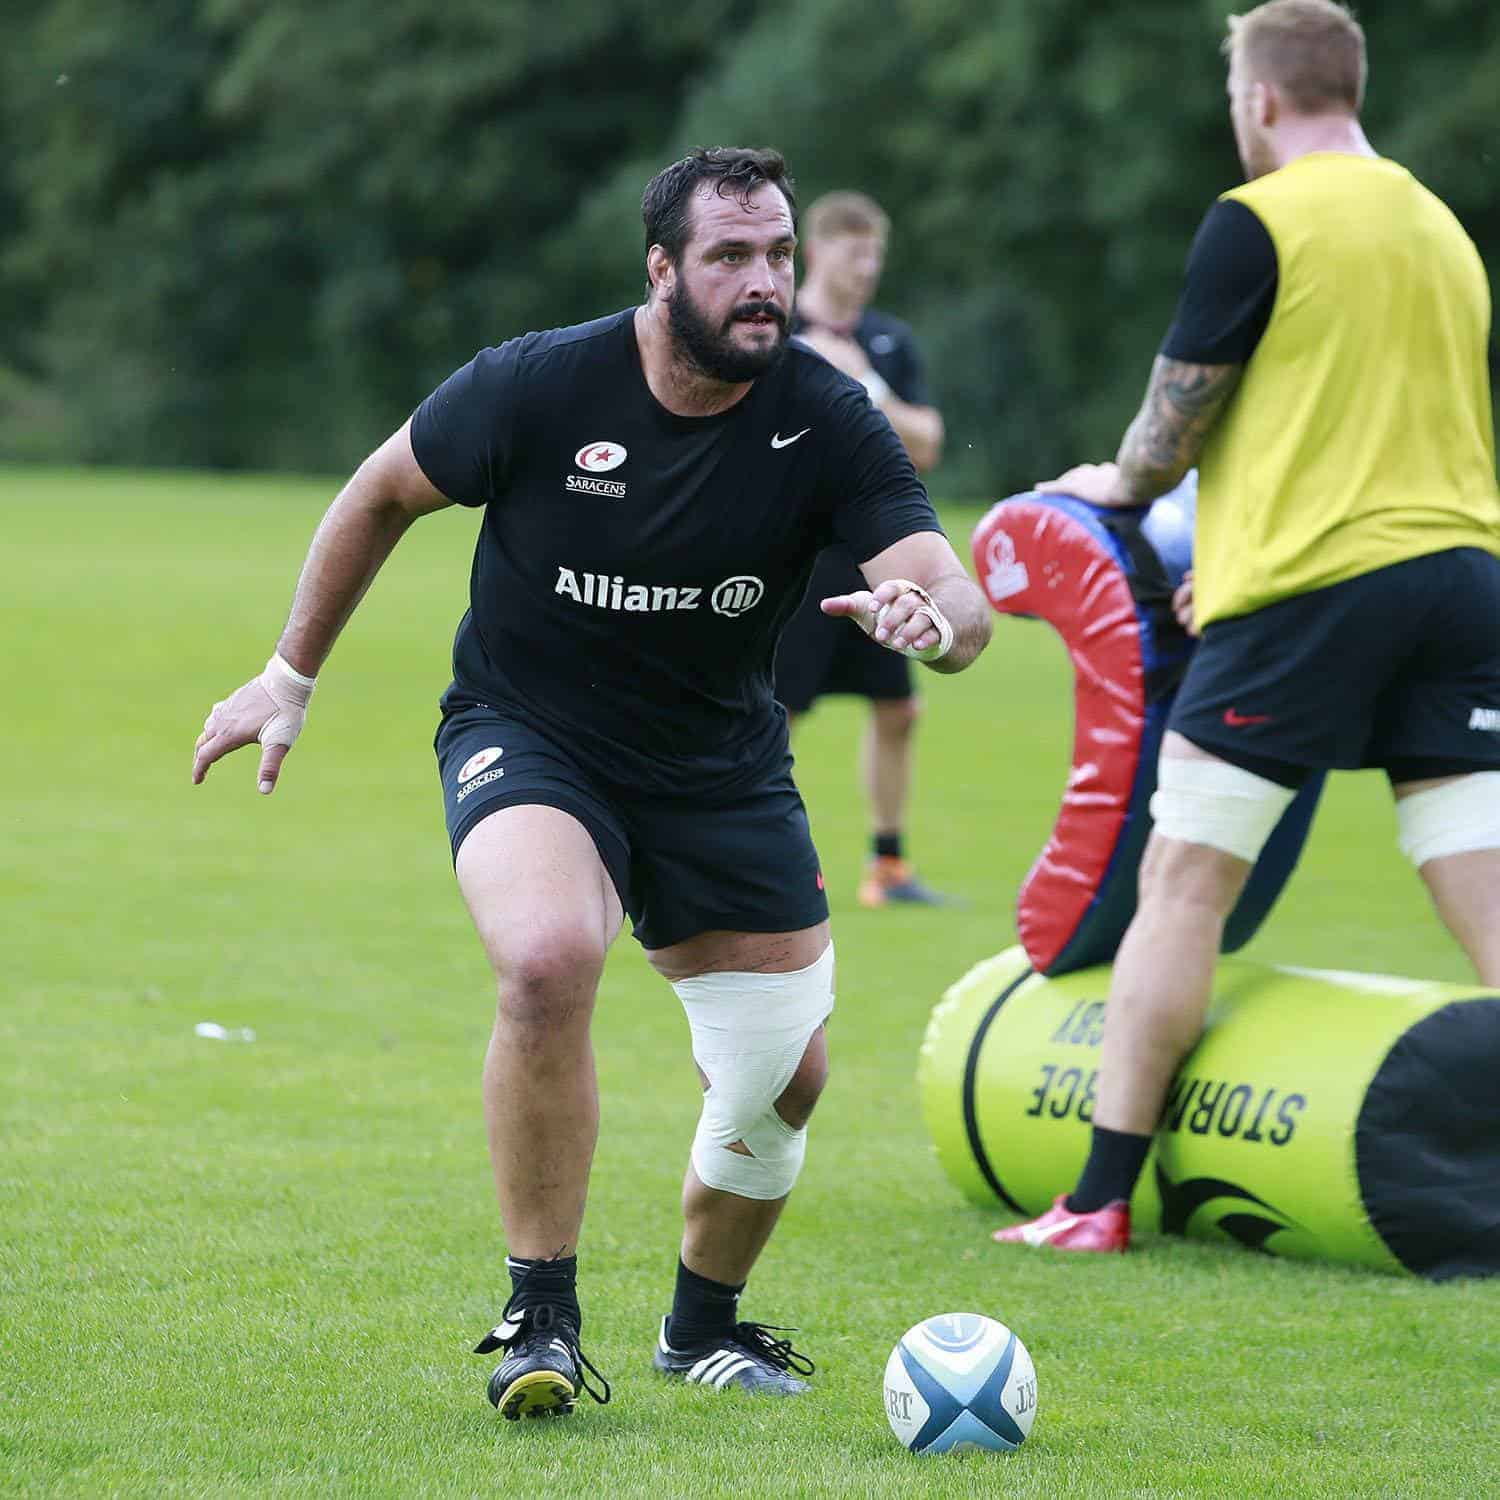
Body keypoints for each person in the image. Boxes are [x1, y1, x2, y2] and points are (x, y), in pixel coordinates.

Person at [192, 147, 991, 1413]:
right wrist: (289, 678)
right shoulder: (539, 383)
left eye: (779, 254)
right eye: (731, 256)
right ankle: (541, 1319)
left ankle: (703, 1327)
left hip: (722, 768)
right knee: (551, 955)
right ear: (663, 269)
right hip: (532, 731)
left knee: (786, 1076)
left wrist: (933, 623)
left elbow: (956, 593)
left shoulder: (827, 416)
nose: (764, 281)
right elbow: (380, 491)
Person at [993, 0, 1500, 1255]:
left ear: (1261, 99)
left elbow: (1177, 424)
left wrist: (1114, 486)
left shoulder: (1258, 218)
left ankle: (1100, 1198)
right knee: (1485, 891)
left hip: (1310, 594)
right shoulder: (1442, 227)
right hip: (1468, 584)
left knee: (1184, 883)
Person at [774, 191, 952, 908]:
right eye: (855, 252)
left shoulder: (887, 344)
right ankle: (765, 859)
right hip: (793, 553)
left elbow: (929, 445)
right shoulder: (773, 330)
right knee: (773, 712)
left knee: (899, 710)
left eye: (877, 252)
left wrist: (865, 385)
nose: (869, 266)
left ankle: (889, 867)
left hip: (874, 550)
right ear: (818, 252)